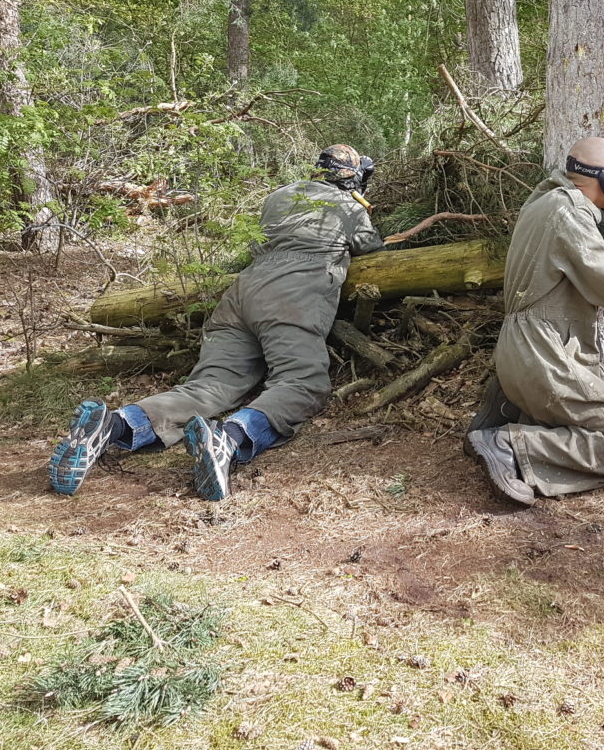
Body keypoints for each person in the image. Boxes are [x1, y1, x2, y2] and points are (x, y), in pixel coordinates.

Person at [49, 145, 384, 501]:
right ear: (353, 178)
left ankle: (115, 423)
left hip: (241, 294)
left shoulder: (279, 196)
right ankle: (230, 438)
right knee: (303, 382)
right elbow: (370, 246)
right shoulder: (349, 206)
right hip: (292, 296)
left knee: (211, 384)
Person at [463, 137, 604, 505]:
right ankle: (506, 444)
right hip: (544, 354)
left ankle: (503, 422)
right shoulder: (568, 212)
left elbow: (578, 255)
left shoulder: (548, 202)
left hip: (523, 352)